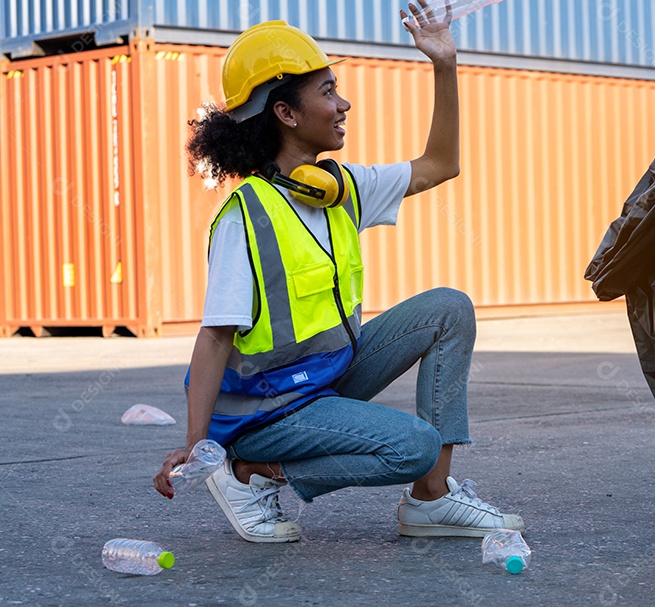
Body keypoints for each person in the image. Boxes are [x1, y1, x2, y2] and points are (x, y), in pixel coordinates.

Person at [153, 4, 524, 543]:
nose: (344, 102)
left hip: (325, 379)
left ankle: (431, 500)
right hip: (270, 412)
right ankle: (250, 472)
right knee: (411, 445)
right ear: (285, 113)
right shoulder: (246, 216)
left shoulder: (337, 189)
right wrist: (195, 442)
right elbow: (214, 337)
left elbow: (441, 164)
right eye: (328, 91)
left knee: (449, 308)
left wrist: (444, 63)